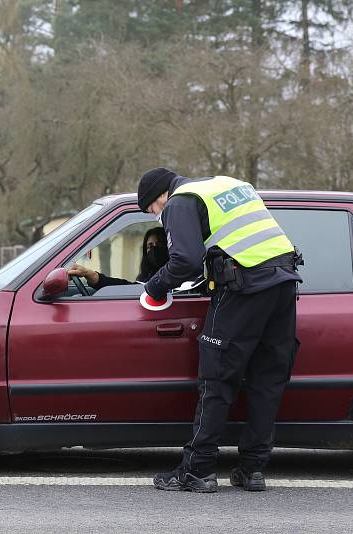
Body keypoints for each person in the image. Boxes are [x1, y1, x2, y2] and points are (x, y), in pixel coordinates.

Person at [138, 167, 302, 493]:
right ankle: (252, 470)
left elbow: (185, 259)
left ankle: (197, 471)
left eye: (152, 211)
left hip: (242, 289)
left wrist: (154, 288)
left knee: (216, 380)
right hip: (283, 285)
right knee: (267, 380)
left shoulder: (180, 201)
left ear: (158, 196)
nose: (158, 217)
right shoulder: (232, 185)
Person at [67, 227, 169, 290]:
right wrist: (90, 274)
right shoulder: (147, 277)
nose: (155, 248)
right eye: (150, 246)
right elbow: (130, 287)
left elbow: (132, 289)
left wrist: (91, 275)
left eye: (159, 244)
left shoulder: (172, 275)